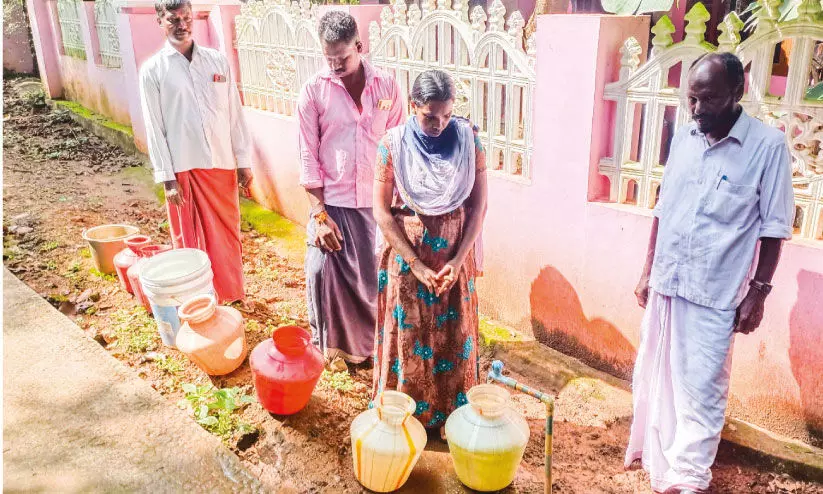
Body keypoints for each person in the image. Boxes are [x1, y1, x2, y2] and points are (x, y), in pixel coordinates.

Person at [627, 52, 794, 493]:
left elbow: (774, 228)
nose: (697, 109)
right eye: (692, 98)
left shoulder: (767, 147)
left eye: (709, 99)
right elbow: (664, 208)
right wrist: (647, 269)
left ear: (737, 94)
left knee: (701, 390)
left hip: (716, 293)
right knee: (656, 375)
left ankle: (689, 479)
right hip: (668, 281)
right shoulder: (683, 137)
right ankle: (659, 463)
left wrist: (758, 293)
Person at [372, 69, 488, 433]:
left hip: (455, 260)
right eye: (429, 116)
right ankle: (409, 417)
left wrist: (456, 261)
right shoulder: (392, 145)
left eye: (447, 115)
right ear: (413, 106)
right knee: (409, 338)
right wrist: (416, 264)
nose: (439, 124)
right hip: (408, 264)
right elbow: (381, 210)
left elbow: (478, 207)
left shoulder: (469, 142)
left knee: (456, 336)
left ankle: (452, 418)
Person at [298, 11, 405, 368]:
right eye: (328, 59)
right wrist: (320, 215)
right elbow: (307, 156)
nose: (335, 66)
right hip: (333, 204)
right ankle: (332, 350)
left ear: (360, 47)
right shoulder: (314, 91)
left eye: (342, 58)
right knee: (321, 273)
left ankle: (372, 350)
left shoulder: (388, 88)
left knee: (374, 281)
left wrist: (398, 204)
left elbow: (397, 146)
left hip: (376, 205)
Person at [139, 0, 251, 304]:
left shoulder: (217, 62)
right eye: (173, 19)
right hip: (182, 168)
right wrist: (167, 177)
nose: (182, 25)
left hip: (221, 163)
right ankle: (196, 299)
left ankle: (231, 293)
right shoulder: (153, 71)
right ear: (160, 22)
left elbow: (234, 115)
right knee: (188, 238)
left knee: (227, 234)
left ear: (193, 19)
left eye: (186, 18)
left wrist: (243, 161)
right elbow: (155, 128)